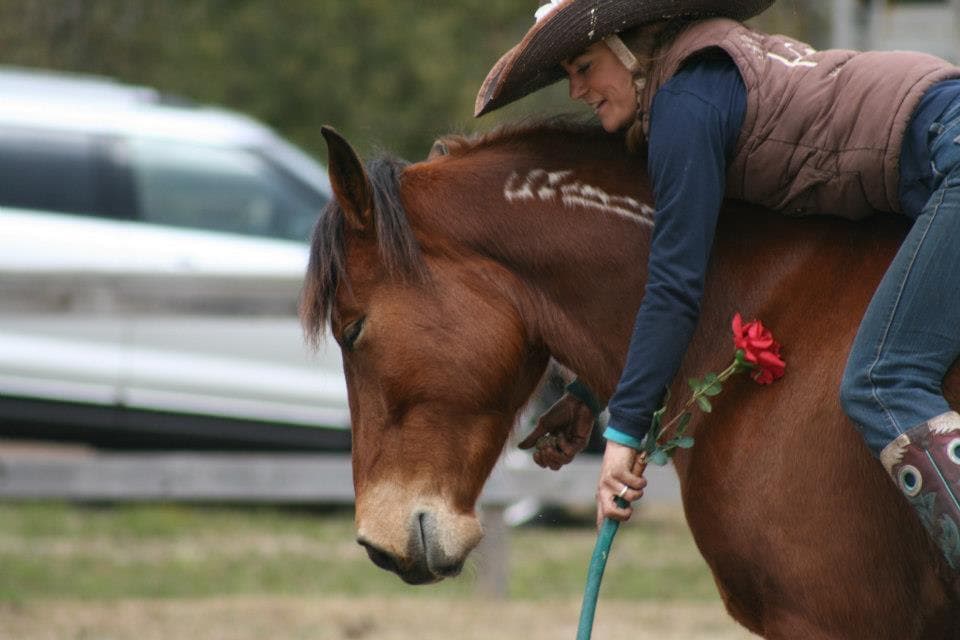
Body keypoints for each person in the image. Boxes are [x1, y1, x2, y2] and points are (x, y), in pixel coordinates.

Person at [475, 0, 960, 572]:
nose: (577, 90)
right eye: (569, 77)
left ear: (630, 49)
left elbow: (676, 286)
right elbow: (688, 268)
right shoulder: (704, 77)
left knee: (882, 380)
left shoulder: (685, 105)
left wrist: (624, 436)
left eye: (584, 67)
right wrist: (590, 393)